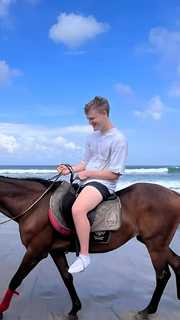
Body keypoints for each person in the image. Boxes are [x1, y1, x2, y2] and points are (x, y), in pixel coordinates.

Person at [57, 96, 128, 274]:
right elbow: (85, 162)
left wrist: (88, 173)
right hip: (86, 180)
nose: (90, 123)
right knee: (60, 201)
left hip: (104, 184)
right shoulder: (91, 137)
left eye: (92, 119)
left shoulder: (119, 139)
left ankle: (84, 256)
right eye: (88, 119)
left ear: (104, 114)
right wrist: (70, 169)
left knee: (78, 210)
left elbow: (115, 173)